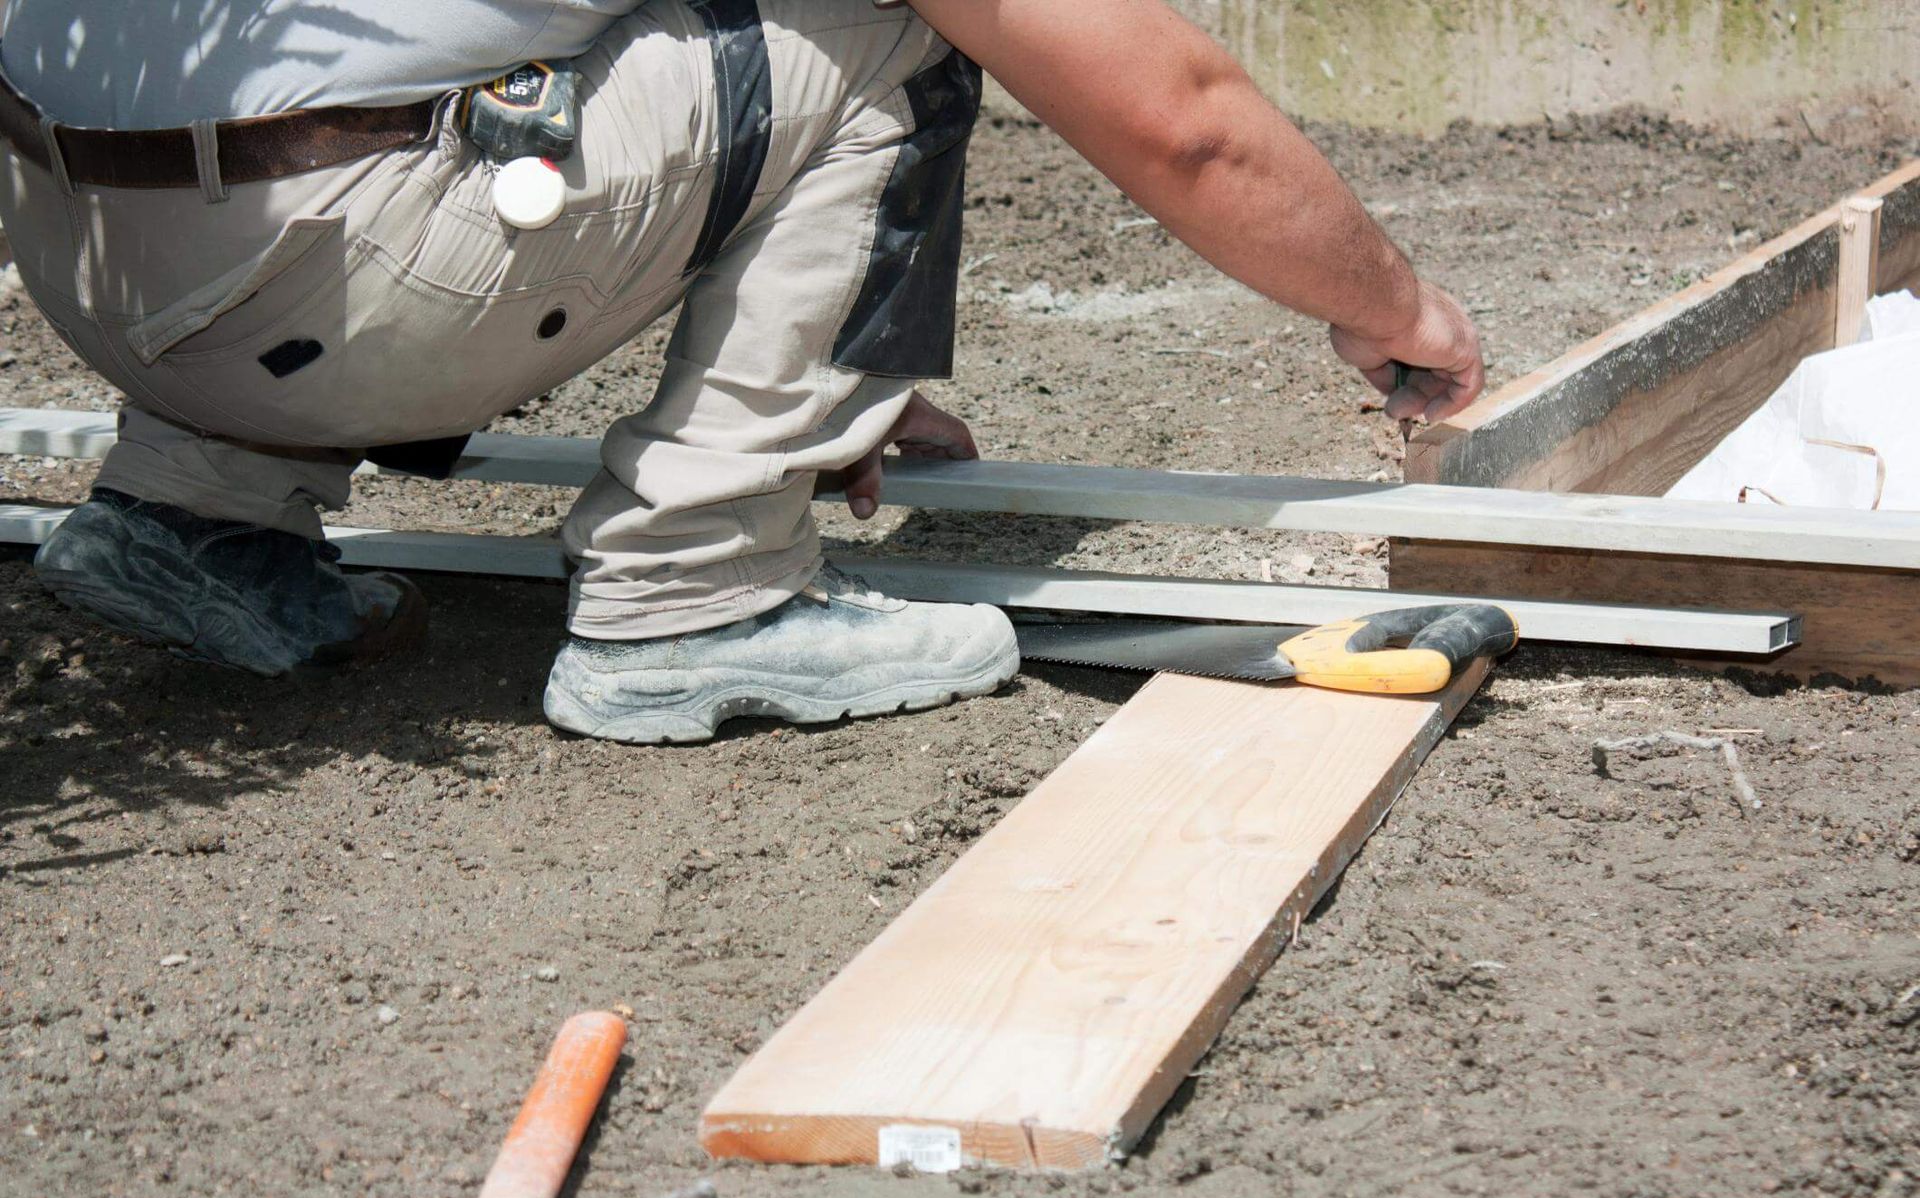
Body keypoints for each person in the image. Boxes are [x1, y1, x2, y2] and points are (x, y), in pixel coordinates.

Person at [0, 0, 1483, 743]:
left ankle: (189, 513)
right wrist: (1389, 302)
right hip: (346, 273)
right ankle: (692, 599)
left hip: (91, 263)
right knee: (892, 31)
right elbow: (1184, 122)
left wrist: (857, 361)